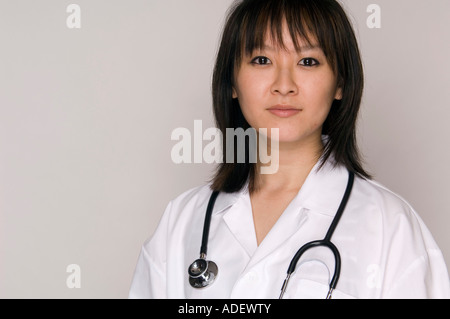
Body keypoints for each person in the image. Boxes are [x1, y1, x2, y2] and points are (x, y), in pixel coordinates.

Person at [129, 0, 450, 299]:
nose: (284, 84)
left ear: (340, 83)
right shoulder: (182, 221)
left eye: (308, 61)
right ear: (231, 83)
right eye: (262, 60)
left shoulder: (391, 227)